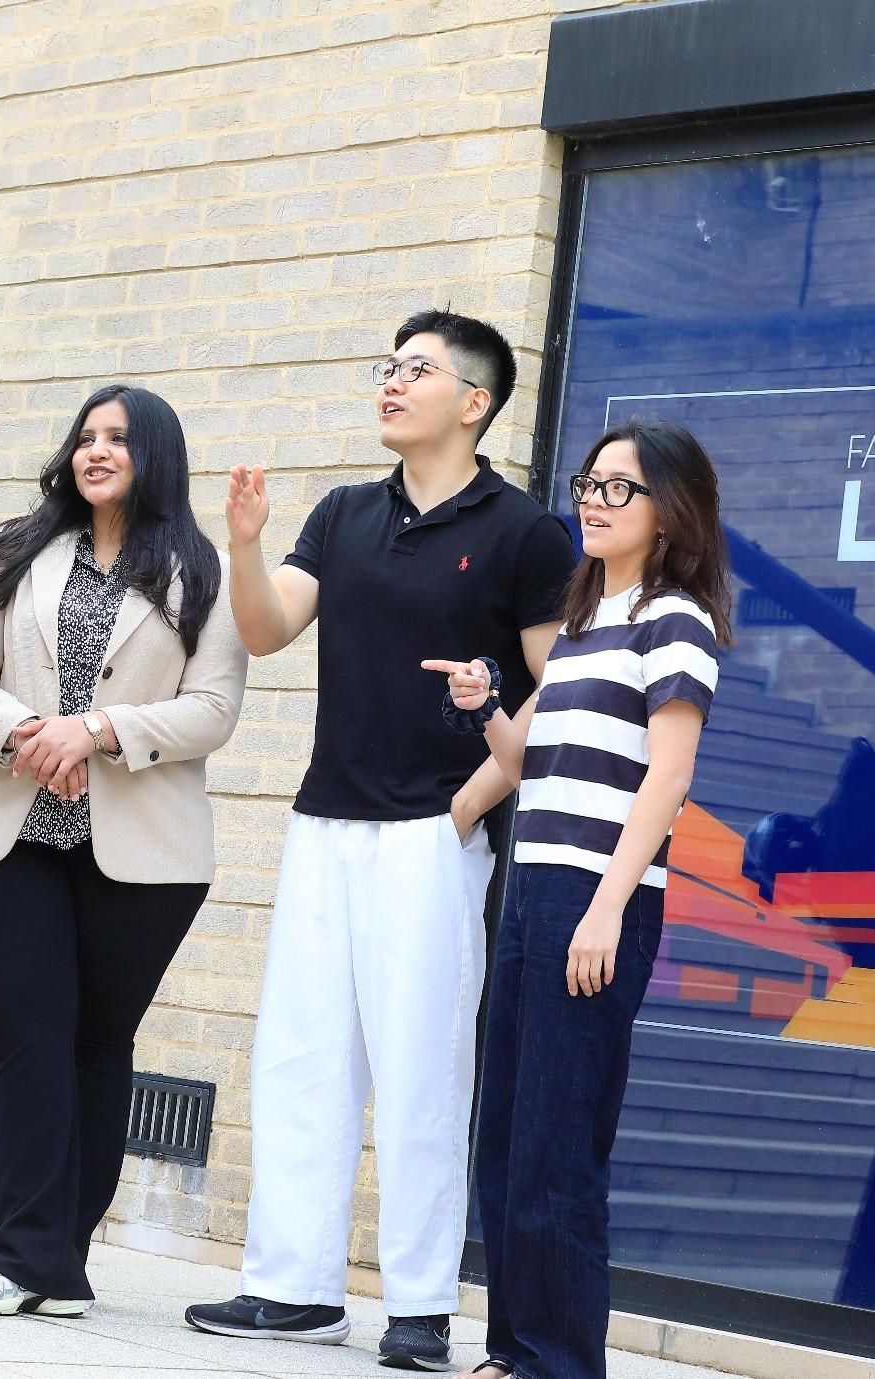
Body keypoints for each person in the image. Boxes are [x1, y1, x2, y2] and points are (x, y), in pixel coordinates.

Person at [186, 310, 577, 1371]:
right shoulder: (346, 511)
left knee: (420, 1071)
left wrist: (476, 795)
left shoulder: (523, 530)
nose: (391, 385)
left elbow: (559, 679)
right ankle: (291, 1286)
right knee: (302, 1058)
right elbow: (266, 630)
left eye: (416, 370)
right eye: (387, 367)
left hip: (431, 834)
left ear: (476, 400)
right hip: (325, 818)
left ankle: (417, 1308)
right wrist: (249, 540)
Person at [0, 385, 247, 1317]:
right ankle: (27, 1256)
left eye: (118, 438)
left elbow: (214, 710)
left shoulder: (207, 572)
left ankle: (58, 1259)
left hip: (145, 855)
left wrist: (100, 730)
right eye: (86, 436)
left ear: (157, 455)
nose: (96, 450)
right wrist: (35, 730)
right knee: (30, 1035)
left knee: (99, 1044)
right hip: (11, 836)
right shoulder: (16, 552)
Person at [431, 420, 728, 1379]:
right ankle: (515, 1352)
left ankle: (557, 1363)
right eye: (588, 484)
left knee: (559, 1143)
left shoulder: (673, 621)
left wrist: (606, 908)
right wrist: (485, 705)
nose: (593, 502)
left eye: (617, 489)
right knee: (510, 1139)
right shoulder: (577, 627)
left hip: (600, 898)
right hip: (533, 893)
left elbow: (668, 779)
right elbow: (525, 763)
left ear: (668, 511)